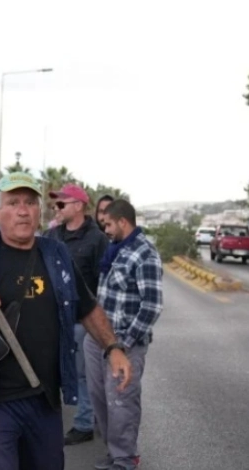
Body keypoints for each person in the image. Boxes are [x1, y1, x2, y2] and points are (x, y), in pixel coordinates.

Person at [0, 172, 132, 470]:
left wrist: (113, 347)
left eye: (30, 202)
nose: (23, 210)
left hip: (44, 400)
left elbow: (88, 308)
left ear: (38, 211)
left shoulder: (56, 255)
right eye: (13, 202)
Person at [88, 199, 164, 470]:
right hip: (99, 339)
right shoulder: (115, 250)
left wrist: (124, 344)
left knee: (121, 402)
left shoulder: (144, 253)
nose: (105, 229)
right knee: (100, 399)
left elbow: (153, 304)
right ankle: (114, 452)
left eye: (108, 224)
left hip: (124, 343)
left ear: (122, 221)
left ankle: (125, 459)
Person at [45, 183, 111, 446]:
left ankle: (85, 423)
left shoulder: (97, 240)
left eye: (61, 203)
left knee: (83, 373)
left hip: (83, 320)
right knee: (60, 371)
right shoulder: (51, 236)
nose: (57, 208)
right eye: (55, 204)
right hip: (54, 319)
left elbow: (104, 282)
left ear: (79, 205)